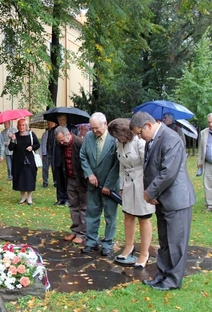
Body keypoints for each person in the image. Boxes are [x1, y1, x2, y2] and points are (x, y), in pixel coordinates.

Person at [130, 111, 195, 291]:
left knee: (176, 243)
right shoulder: (152, 140)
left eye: (139, 133)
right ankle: (162, 275)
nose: (139, 137)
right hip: (162, 199)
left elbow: (168, 173)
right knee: (165, 242)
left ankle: (173, 280)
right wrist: (153, 194)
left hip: (177, 200)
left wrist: (149, 193)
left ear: (148, 125)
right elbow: (151, 169)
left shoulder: (171, 139)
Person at [108, 118, 154, 268]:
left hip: (141, 182)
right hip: (127, 183)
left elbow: (148, 165)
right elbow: (121, 165)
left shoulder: (139, 142)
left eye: (117, 135)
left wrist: (148, 188)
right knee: (128, 215)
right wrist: (121, 185)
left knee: (143, 217)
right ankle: (129, 246)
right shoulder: (118, 143)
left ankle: (144, 253)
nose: (116, 139)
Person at [79, 112, 120, 256]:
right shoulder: (89, 137)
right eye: (92, 128)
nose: (94, 131)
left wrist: (109, 184)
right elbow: (83, 155)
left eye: (96, 128)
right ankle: (91, 241)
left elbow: (118, 163)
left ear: (105, 123)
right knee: (91, 213)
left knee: (110, 216)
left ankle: (108, 243)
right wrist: (89, 174)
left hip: (110, 186)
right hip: (93, 185)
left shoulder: (114, 139)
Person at [55, 126, 87, 244]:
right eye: (60, 141)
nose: (62, 143)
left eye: (63, 140)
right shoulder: (61, 145)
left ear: (68, 134)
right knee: (73, 205)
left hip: (82, 179)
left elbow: (86, 161)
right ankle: (75, 230)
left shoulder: (80, 143)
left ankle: (82, 233)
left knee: (83, 206)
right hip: (70, 178)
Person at [8, 118, 40, 205]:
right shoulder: (15, 135)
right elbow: (10, 148)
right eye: (20, 125)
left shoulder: (31, 134)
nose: (21, 127)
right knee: (20, 179)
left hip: (29, 160)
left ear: (26, 126)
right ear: (17, 126)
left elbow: (37, 144)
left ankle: (29, 198)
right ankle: (23, 197)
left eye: (23, 125)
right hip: (18, 161)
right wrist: (13, 140)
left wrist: (32, 147)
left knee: (29, 178)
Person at [48, 114, 78, 206]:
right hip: (57, 157)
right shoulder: (54, 130)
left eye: (63, 119)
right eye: (59, 119)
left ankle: (68, 198)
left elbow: (75, 141)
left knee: (68, 180)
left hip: (68, 158)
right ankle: (60, 198)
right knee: (59, 179)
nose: (61, 121)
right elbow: (50, 144)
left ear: (66, 120)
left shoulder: (72, 129)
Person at [41, 121, 56, 188]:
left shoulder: (56, 133)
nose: (50, 124)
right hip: (46, 153)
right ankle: (45, 182)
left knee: (55, 168)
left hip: (53, 153)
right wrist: (41, 153)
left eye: (52, 123)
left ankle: (56, 182)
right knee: (45, 168)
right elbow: (42, 144)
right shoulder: (45, 134)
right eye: (49, 123)